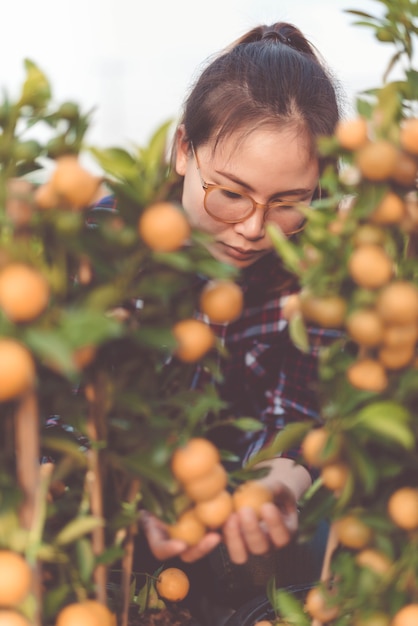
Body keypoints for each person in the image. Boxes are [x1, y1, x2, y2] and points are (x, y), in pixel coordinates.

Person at [132, 20, 343, 625]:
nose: (254, 228)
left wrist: (280, 482)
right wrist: (130, 493)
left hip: (225, 543)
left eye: (288, 203)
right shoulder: (105, 255)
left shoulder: (312, 277)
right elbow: (49, 415)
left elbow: (298, 410)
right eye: (231, 193)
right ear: (183, 150)